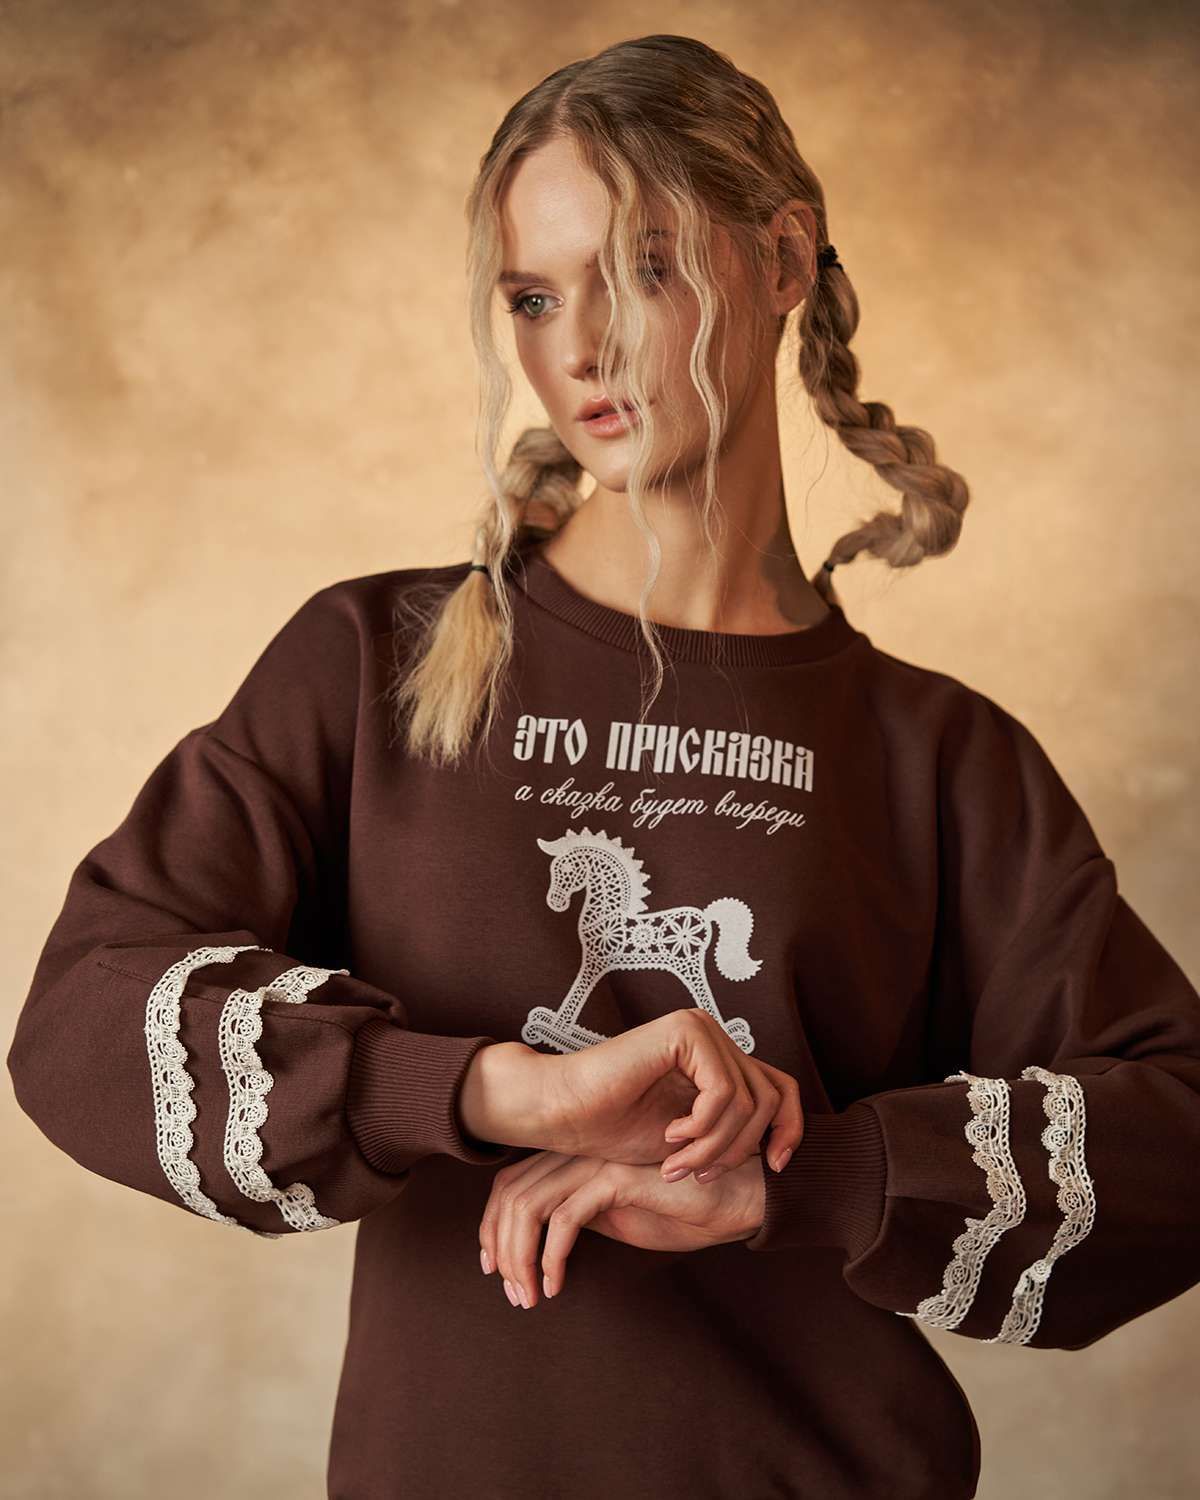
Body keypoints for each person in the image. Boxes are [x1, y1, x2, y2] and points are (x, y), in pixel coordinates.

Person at [9, 32, 1200, 1500]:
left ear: (782, 259)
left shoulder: (943, 759)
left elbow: (1178, 1140)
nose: (579, 346)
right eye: (532, 295)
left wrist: (800, 1180)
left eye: (642, 268)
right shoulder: (375, 664)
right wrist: (493, 1093)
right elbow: (80, 1018)